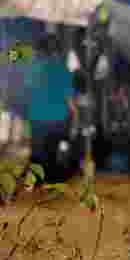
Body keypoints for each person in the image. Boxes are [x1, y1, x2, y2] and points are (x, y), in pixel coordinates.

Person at [25, 32, 78, 180]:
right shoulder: (64, 70)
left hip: (37, 120)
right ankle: (55, 179)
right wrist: (76, 119)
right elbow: (70, 102)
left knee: (38, 155)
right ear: (57, 50)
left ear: (40, 50)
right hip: (59, 121)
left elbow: (27, 93)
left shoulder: (32, 69)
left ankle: (37, 181)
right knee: (55, 155)